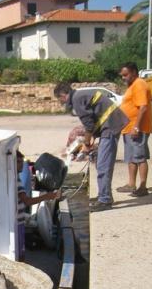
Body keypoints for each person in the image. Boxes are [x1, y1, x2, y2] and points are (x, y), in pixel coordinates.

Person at [54, 82, 128, 211]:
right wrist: (89, 140)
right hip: (110, 124)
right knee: (101, 164)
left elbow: (88, 125)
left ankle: (105, 200)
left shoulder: (76, 99)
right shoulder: (79, 95)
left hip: (110, 126)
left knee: (103, 165)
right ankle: (103, 195)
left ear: (63, 95)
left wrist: (86, 144)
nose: (61, 102)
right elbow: (92, 121)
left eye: (60, 99)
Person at [116, 62, 152, 197]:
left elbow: (143, 107)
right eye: (122, 75)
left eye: (125, 75)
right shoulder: (133, 85)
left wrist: (136, 127)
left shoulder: (139, 84)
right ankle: (131, 184)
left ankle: (143, 186)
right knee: (131, 158)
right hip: (129, 129)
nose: (123, 78)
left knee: (140, 157)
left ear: (134, 72)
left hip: (138, 128)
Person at [16, 151, 61, 261]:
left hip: (19, 219)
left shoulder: (16, 179)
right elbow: (27, 201)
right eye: (18, 162)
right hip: (18, 222)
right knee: (20, 249)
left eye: (22, 162)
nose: (21, 164)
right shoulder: (16, 182)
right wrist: (46, 196)